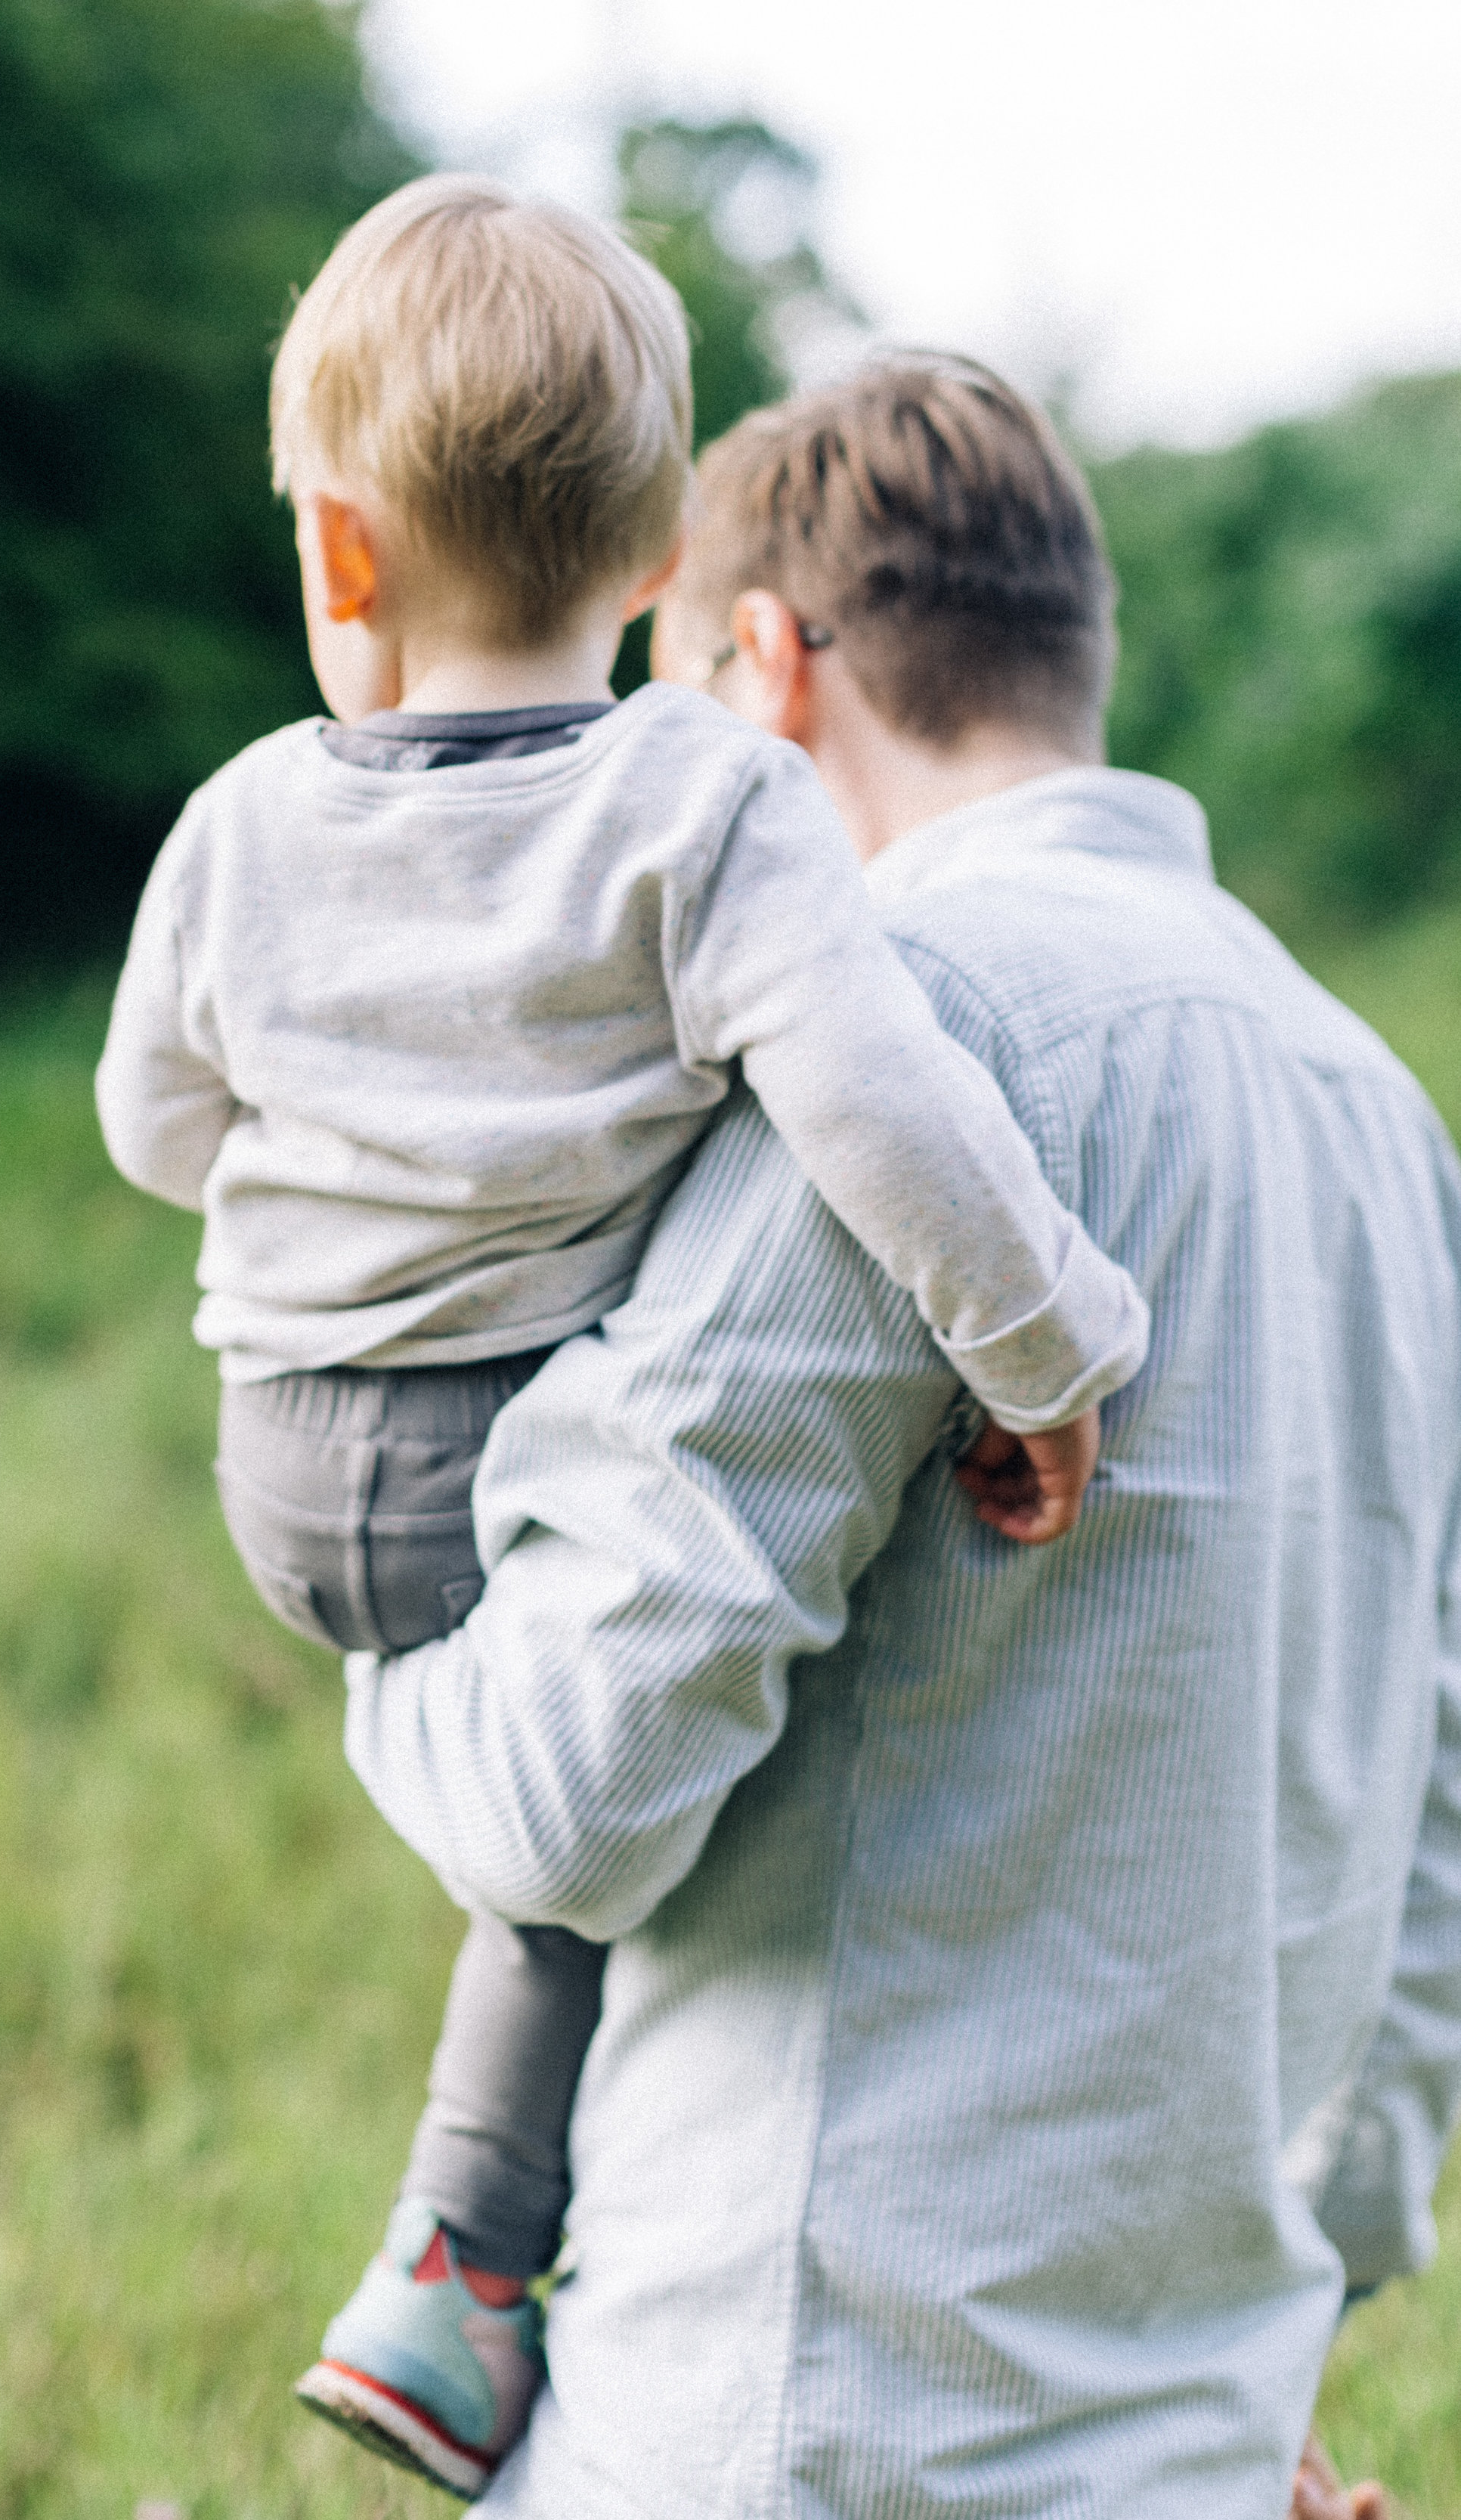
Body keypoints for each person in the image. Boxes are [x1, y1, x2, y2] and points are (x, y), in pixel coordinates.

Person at [94, 186, 1150, 2494]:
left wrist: (337, 1192)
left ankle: (457, 2263)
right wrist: (1047, 1350)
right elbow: (887, 1112)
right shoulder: (704, 799)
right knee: (629, 1795)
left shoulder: (241, 819)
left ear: (339, 556)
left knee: (532, 1853)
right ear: (668, 548)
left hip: (282, 1460)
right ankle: (476, 2270)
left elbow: (150, 1121)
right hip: (514, 1447)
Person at [342, 357, 1461, 2515]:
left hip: (785, 2418)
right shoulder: (1377, 1112)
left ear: (761, 666)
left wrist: (378, 1601)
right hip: (1189, 2446)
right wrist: (1290, 2316)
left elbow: (568, 1796)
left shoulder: (899, 1041)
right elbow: (1432, 1810)